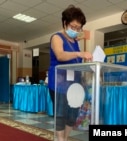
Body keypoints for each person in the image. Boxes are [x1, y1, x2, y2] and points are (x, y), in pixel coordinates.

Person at [47, 5, 93, 141]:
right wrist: (80, 53)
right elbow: (60, 55)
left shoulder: (74, 41)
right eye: (73, 27)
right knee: (60, 114)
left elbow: (76, 62)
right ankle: (60, 139)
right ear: (65, 23)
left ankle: (65, 138)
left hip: (74, 84)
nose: (76, 30)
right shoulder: (57, 37)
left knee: (72, 114)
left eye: (78, 28)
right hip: (59, 83)